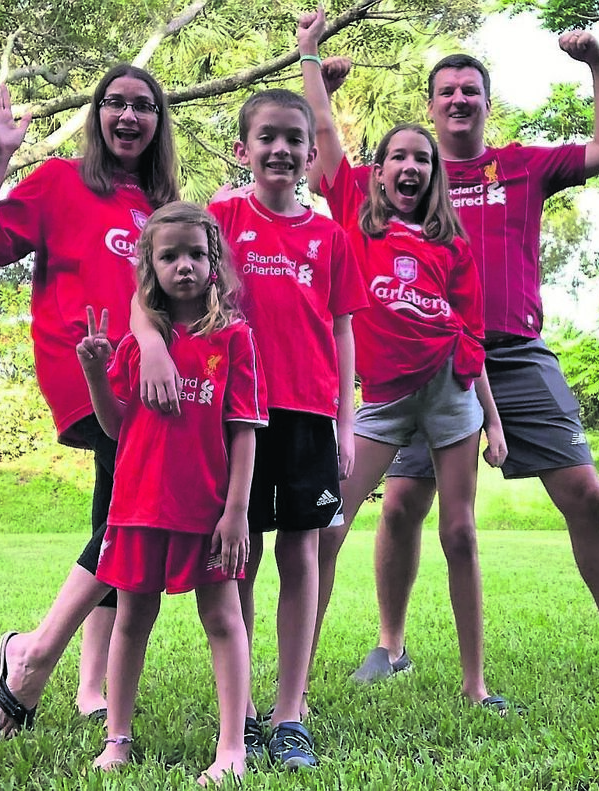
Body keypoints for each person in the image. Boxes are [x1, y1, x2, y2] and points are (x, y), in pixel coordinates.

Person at [322, 34, 599, 694]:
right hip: (427, 362)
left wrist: (598, 60)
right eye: (446, 90)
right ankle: (390, 646)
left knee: (587, 495)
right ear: (430, 105)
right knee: (399, 507)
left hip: (515, 353)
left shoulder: (524, 166)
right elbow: (328, 175)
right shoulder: (406, 174)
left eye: (469, 90)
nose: (458, 98)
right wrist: (324, 90)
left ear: (486, 104)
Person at [134, 88, 367, 768]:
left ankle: (289, 711)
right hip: (234, 417)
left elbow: (344, 329)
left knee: (302, 555)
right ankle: (235, 711)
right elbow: (149, 281)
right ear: (242, 149)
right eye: (267, 137)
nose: (282, 149)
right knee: (239, 555)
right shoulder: (221, 218)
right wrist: (150, 345)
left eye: (295, 139)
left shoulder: (331, 237)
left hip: (307, 416)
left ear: (311, 152)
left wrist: (346, 422)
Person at [298, 9, 511, 712]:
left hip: (450, 394)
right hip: (382, 398)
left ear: (433, 174)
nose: (413, 166)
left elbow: (472, 335)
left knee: (459, 532)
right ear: (380, 170)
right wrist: (309, 55)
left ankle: (476, 684)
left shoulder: (453, 245)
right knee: (329, 527)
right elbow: (324, 134)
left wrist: (495, 419)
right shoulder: (354, 209)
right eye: (400, 157)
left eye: (423, 159)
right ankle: (291, 687)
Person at [0, 64, 180, 737]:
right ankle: (31, 654)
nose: (128, 116)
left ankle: (93, 686)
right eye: (115, 102)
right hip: (88, 373)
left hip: (148, 385)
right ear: (97, 113)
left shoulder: (158, 205)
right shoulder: (60, 181)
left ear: (157, 122)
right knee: (129, 522)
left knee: (115, 514)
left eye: (143, 105)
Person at [77, 201, 266, 781]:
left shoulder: (233, 338)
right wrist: (94, 370)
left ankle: (231, 746)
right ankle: (118, 738)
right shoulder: (138, 344)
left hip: (208, 511)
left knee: (224, 618)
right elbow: (115, 427)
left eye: (196, 254)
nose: (184, 266)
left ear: (215, 262)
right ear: (150, 266)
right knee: (132, 619)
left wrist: (236, 513)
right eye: (169, 256)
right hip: (137, 508)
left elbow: (243, 432)